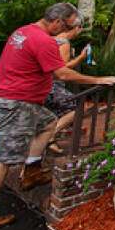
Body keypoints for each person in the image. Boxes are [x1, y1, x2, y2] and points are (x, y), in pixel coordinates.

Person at [0, 2, 115, 230]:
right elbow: (62, 73)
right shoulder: (44, 41)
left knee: (48, 123)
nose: (68, 31)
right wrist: (98, 80)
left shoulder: (23, 32)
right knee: (3, 160)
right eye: (68, 26)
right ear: (57, 22)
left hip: (19, 102)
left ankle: (32, 170)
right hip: (16, 104)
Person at [43, 20, 89, 153]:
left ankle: (48, 144)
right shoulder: (64, 43)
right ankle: (49, 136)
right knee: (80, 107)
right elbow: (61, 68)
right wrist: (80, 57)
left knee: (53, 115)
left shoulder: (50, 39)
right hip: (52, 85)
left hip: (42, 83)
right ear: (76, 28)